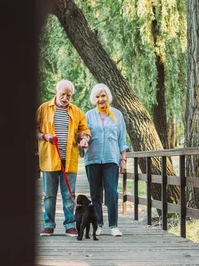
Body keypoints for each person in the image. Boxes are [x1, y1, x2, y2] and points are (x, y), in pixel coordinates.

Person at [36, 80, 91, 236]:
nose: (65, 98)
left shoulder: (76, 111)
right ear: (56, 92)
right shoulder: (43, 109)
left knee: (69, 195)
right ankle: (48, 225)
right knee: (49, 195)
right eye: (63, 94)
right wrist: (44, 136)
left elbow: (83, 130)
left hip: (69, 159)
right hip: (49, 158)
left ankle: (70, 225)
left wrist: (84, 139)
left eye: (68, 95)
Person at [84, 83, 129, 237]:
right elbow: (83, 134)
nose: (100, 99)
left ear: (108, 97)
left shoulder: (118, 115)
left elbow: (122, 139)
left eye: (103, 96)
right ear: (94, 99)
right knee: (95, 194)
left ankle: (114, 225)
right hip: (93, 158)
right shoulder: (88, 115)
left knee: (112, 192)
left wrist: (123, 160)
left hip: (111, 158)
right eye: (97, 97)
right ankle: (98, 225)